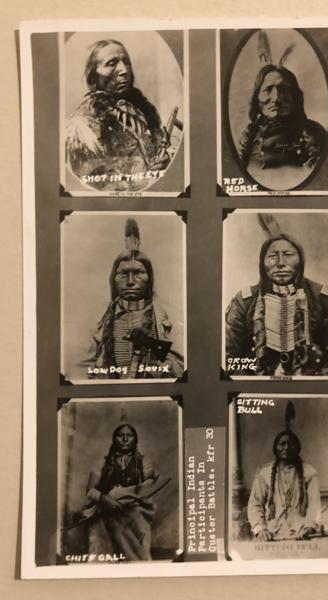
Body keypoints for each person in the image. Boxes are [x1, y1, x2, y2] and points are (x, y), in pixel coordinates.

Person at [225, 230, 328, 376]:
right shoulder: (244, 301)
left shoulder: (325, 298)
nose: (280, 263)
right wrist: (252, 386)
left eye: (288, 255)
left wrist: (313, 385)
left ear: (301, 260)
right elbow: (229, 358)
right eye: (272, 256)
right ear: (262, 263)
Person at [80, 220, 184, 379]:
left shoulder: (165, 318)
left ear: (149, 278)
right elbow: (82, 369)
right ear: (113, 278)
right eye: (123, 274)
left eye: (138, 273)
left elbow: (181, 367)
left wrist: (155, 369)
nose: (130, 281)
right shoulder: (100, 321)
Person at [65, 39, 171, 192]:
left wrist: (163, 167)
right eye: (112, 63)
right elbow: (96, 186)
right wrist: (145, 182)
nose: (124, 70)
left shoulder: (140, 113)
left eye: (126, 62)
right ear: (93, 75)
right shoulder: (79, 127)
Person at [84, 423, 158, 560]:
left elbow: (148, 487)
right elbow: (90, 491)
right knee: (100, 523)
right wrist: (105, 500)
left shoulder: (144, 462)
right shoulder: (103, 462)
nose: (125, 439)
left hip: (135, 508)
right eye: (120, 436)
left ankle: (137, 562)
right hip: (106, 507)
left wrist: (125, 497)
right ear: (114, 439)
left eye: (129, 436)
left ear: (135, 440)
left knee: (137, 522)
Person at [239, 64, 327, 173]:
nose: (276, 98)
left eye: (283, 89)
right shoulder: (250, 134)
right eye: (268, 89)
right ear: (257, 98)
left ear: (295, 96)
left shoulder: (315, 132)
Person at [247, 430, 321, 541]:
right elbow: (255, 504)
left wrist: (309, 527)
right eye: (282, 444)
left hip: (301, 534)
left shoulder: (309, 472)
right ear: (275, 447)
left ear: (297, 447)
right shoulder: (264, 473)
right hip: (270, 535)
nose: (286, 447)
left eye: (290, 444)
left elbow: (314, 504)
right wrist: (261, 529)